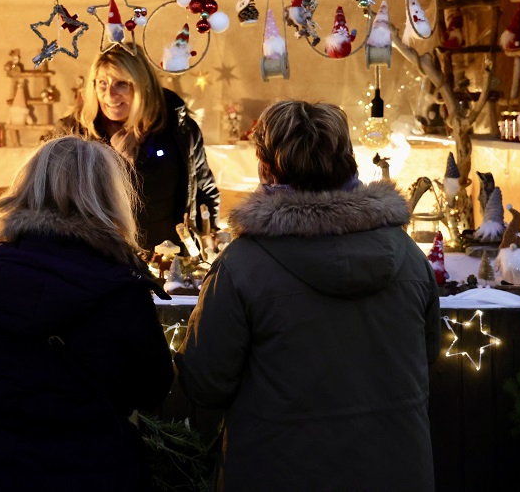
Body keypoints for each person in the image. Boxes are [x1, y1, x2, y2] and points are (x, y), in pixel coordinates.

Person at [176, 100, 441, 492]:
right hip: (395, 471)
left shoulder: (242, 266)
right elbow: (428, 354)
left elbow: (205, 382)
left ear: (265, 167)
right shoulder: (406, 255)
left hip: (276, 471)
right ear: (349, 161)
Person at [0, 136, 175, 492]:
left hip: (3, 468)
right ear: (108, 196)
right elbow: (151, 387)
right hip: (96, 469)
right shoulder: (120, 285)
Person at [56, 45, 220, 254]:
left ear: (143, 84)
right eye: (102, 84)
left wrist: (211, 232)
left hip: (171, 260)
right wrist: (114, 163)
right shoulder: (73, 133)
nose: (110, 95)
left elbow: (205, 189)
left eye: (121, 84)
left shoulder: (179, 128)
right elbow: (59, 202)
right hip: (100, 257)